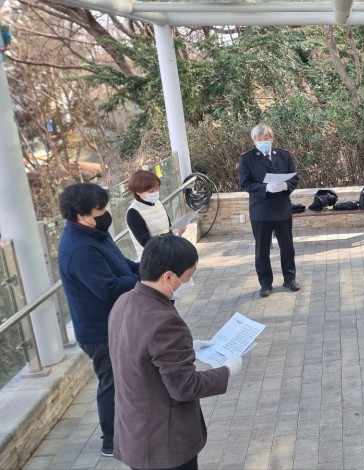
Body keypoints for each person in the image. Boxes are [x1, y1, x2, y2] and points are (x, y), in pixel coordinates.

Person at [108, 235, 241, 470]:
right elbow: (185, 387)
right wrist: (227, 370)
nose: (190, 282)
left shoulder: (124, 300)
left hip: (134, 432)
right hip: (164, 443)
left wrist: (187, 348)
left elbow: (139, 351)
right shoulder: (164, 321)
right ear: (168, 276)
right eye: (189, 276)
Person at [57, 183, 140, 457]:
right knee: (112, 383)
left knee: (124, 379)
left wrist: (148, 268)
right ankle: (111, 440)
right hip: (99, 331)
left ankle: (129, 427)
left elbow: (121, 263)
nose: (105, 214)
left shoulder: (94, 234)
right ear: (81, 215)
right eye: (99, 210)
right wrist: (145, 280)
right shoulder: (79, 249)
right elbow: (108, 287)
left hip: (115, 322)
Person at [239, 123, 300, 297]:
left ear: (272, 138)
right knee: (262, 250)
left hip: (282, 209)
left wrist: (285, 185)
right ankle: (265, 283)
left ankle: (289, 279)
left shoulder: (283, 155)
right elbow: (245, 183)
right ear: (254, 141)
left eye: (266, 138)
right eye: (259, 139)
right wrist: (266, 188)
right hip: (261, 211)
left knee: (287, 247)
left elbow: (294, 178)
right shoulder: (247, 158)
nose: (263, 141)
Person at [125, 169, 184, 260]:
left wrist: (176, 232)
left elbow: (168, 227)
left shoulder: (158, 203)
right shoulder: (133, 213)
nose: (155, 193)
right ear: (137, 192)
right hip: (152, 261)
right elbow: (146, 242)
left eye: (157, 189)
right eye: (151, 191)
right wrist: (173, 234)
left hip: (169, 253)